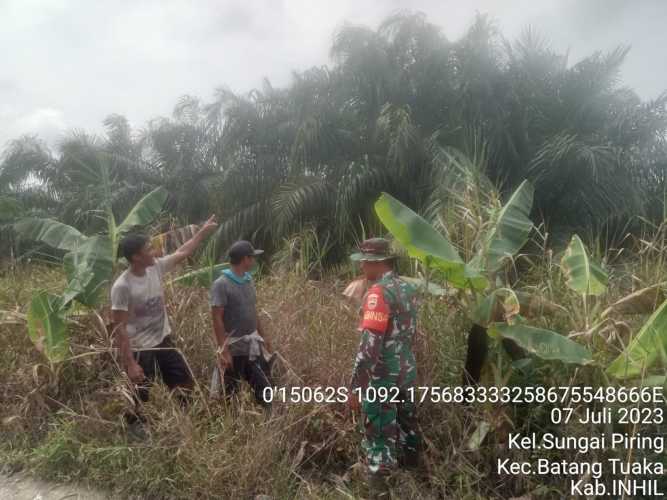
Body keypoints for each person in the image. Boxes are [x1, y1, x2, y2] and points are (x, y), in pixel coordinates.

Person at [111, 216, 218, 416]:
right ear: (136, 257)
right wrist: (131, 364)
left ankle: (187, 421)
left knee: (183, 383)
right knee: (140, 394)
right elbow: (120, 328)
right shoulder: (122, 286)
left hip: (164, 341)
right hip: (140, 350)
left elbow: (183, 252)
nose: (154, 251)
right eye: (149, 249)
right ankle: (137, 429)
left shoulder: (156, 267)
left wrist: (202, 232)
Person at [348, 238, 421, 499]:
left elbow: (370, 346)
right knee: (408, 427)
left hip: (382, 378)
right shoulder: (407, 289)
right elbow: (413, 335)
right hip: (406, 372)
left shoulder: (378, 293)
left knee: (379, 433)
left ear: (377, 263)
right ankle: (416, 483)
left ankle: (380, 492)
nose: (362, 268)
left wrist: (356, 386)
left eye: (365, 262)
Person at [209, 240, 273, 407]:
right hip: (234, 349)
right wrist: (223, 350)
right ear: (245, 259)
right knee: (230, 394)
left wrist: (263, 336)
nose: (254, 261)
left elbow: (253, 310)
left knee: (264, 388)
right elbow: (216, 318)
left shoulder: (248, 280)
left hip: (253, 345)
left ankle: (268, 421)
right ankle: (231, 426)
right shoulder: (221, 284)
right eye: (252, 257)